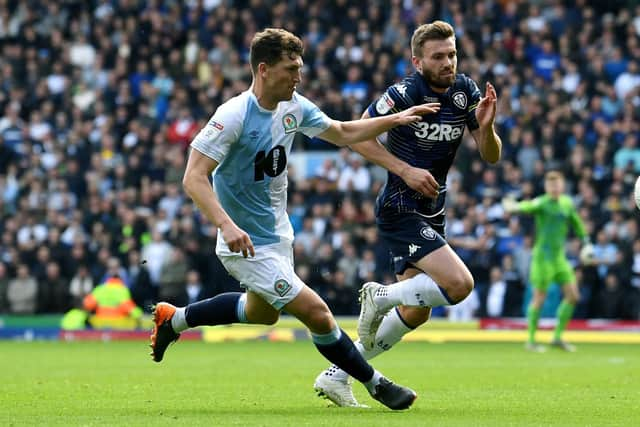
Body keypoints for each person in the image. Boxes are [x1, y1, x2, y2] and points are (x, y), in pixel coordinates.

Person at [149, 28, 440, 410]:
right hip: (244, 243)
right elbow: (193, 177)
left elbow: (340, 132)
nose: (298, 76)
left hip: (277, 235)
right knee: (317, 313)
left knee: (261, 313)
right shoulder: (233, 115)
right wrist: (226, 225)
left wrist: (396, 120)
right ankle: (375, 383)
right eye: (291, 69)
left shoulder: (294, 106)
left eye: (300, 68)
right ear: (264, 69)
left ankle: (175, 319)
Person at [314, 20, 502, 405]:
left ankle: (336, 375)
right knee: (460, 285)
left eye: (452, 53)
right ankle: (379, 297)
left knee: (416, 313)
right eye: (438, 56)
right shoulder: (403, 93)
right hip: (400, 206)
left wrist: (487, 129)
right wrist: (404, 169)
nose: (448, 62)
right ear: (418, 62)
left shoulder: (465, 91)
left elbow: (491, 156)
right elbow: (357, 134)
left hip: (433, 210)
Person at [502, 170, 593, 352]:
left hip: (559, 257)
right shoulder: (542, 203)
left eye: (557, 184)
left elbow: (576, 223)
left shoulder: (567, 203)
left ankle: (557, 337)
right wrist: (515, 207)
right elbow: (527, 206)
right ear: (546, 187)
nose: (554, 188)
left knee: (573, 296)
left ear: (562, 186)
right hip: (542, 257)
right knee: (539, 298)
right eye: (551, 185)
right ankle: (531, 340)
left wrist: (586, 242)